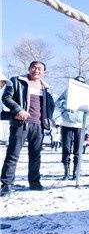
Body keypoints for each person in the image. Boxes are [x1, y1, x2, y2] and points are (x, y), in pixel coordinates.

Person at [1, 61, 55, 196]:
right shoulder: (16, 81)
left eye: (40, 69)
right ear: (29, 69)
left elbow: (51, 105)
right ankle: (6, 185)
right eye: (34, 67)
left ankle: (34, 182)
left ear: (44, 72)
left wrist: (48, 119)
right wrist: (18, 110)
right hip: (21, 124)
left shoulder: (47, 88)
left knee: (36, 155)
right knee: (13, 154)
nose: (36, 70)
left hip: (38, 125)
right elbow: (6, 97)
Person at [55, 75, 86, 180]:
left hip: (80, 124)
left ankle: (75, 172)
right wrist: (65, 104)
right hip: (66, 123)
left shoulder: (87, 94)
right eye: (77, 81)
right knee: (66, 148)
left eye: (82, 82)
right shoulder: (67, 92)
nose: (79, 83)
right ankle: (66, 172)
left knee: (78, 150)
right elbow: (57, 103)